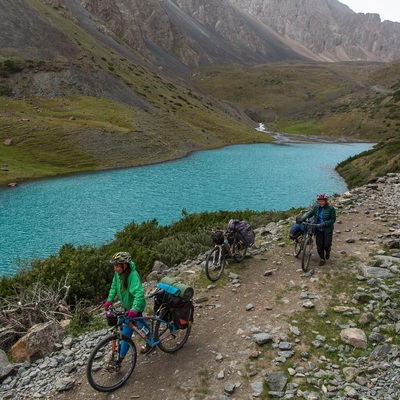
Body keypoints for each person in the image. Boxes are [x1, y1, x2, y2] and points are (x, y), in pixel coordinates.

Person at [103, 251, 149, 359]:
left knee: (128, 330)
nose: (115, 268)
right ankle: (150, 338)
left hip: (135, 306)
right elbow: (114, 286)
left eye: (117, 266)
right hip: (127, 306)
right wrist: (109, 300)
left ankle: (120, 358)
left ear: (125, 265)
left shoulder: (133, 276)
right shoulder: (118, 274)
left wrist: (135, 309)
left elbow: (139, 294)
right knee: (138, 323)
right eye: (114, 265)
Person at [298, 193, 336, 266]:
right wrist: (302, 218)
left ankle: (328, 251)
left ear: (325, 201)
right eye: (320, 201)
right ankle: (322, 258)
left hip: (327, 229)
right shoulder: (316, 207)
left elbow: (333, 220)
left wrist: (325, 223)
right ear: (318, 201)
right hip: (318, 229)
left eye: (323, 201)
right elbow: (310, 214)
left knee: (327, 244)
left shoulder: (331, 209)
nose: (321, 202)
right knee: (319, 246)